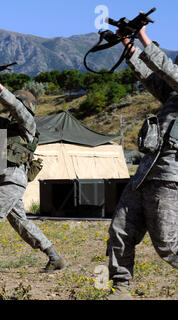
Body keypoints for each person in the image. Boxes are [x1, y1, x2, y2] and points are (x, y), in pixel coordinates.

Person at [0, 73, 66, 278]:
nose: (10, 112)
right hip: (6, 180)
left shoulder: (29, 125)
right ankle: (55, 258)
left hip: (12, 180)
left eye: (15, 106)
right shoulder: (8, 128)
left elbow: (16, 108)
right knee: (22, 223)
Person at [107, 25, 178, 300]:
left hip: (170, 176)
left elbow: (167, 70)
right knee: (120, 230)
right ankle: (121, 288)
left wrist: (143, 36)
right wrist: (128, 44)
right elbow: (151, 77)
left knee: (167, 245)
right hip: (146, 173)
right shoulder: (173, 96)